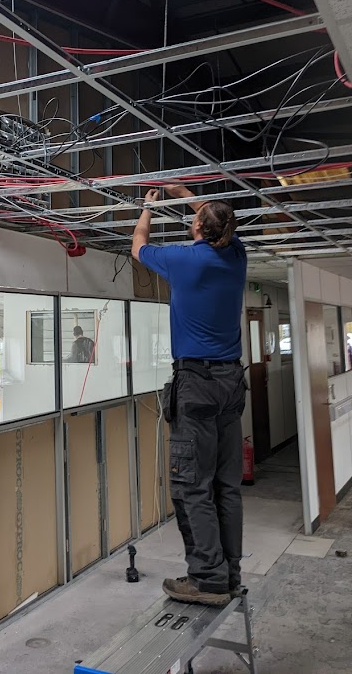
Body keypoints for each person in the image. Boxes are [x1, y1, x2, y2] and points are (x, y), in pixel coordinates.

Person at [131, 183, 247, 608]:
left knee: (192, 487)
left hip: (197, 383)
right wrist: (185, 191)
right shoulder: (236, 256)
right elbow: (217, 220)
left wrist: (149, 206)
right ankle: (229, 574)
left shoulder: (184, 259)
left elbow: (138, 245)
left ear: (197, 226)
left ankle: (207, 578)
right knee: (226, 486)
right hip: (231, 383)